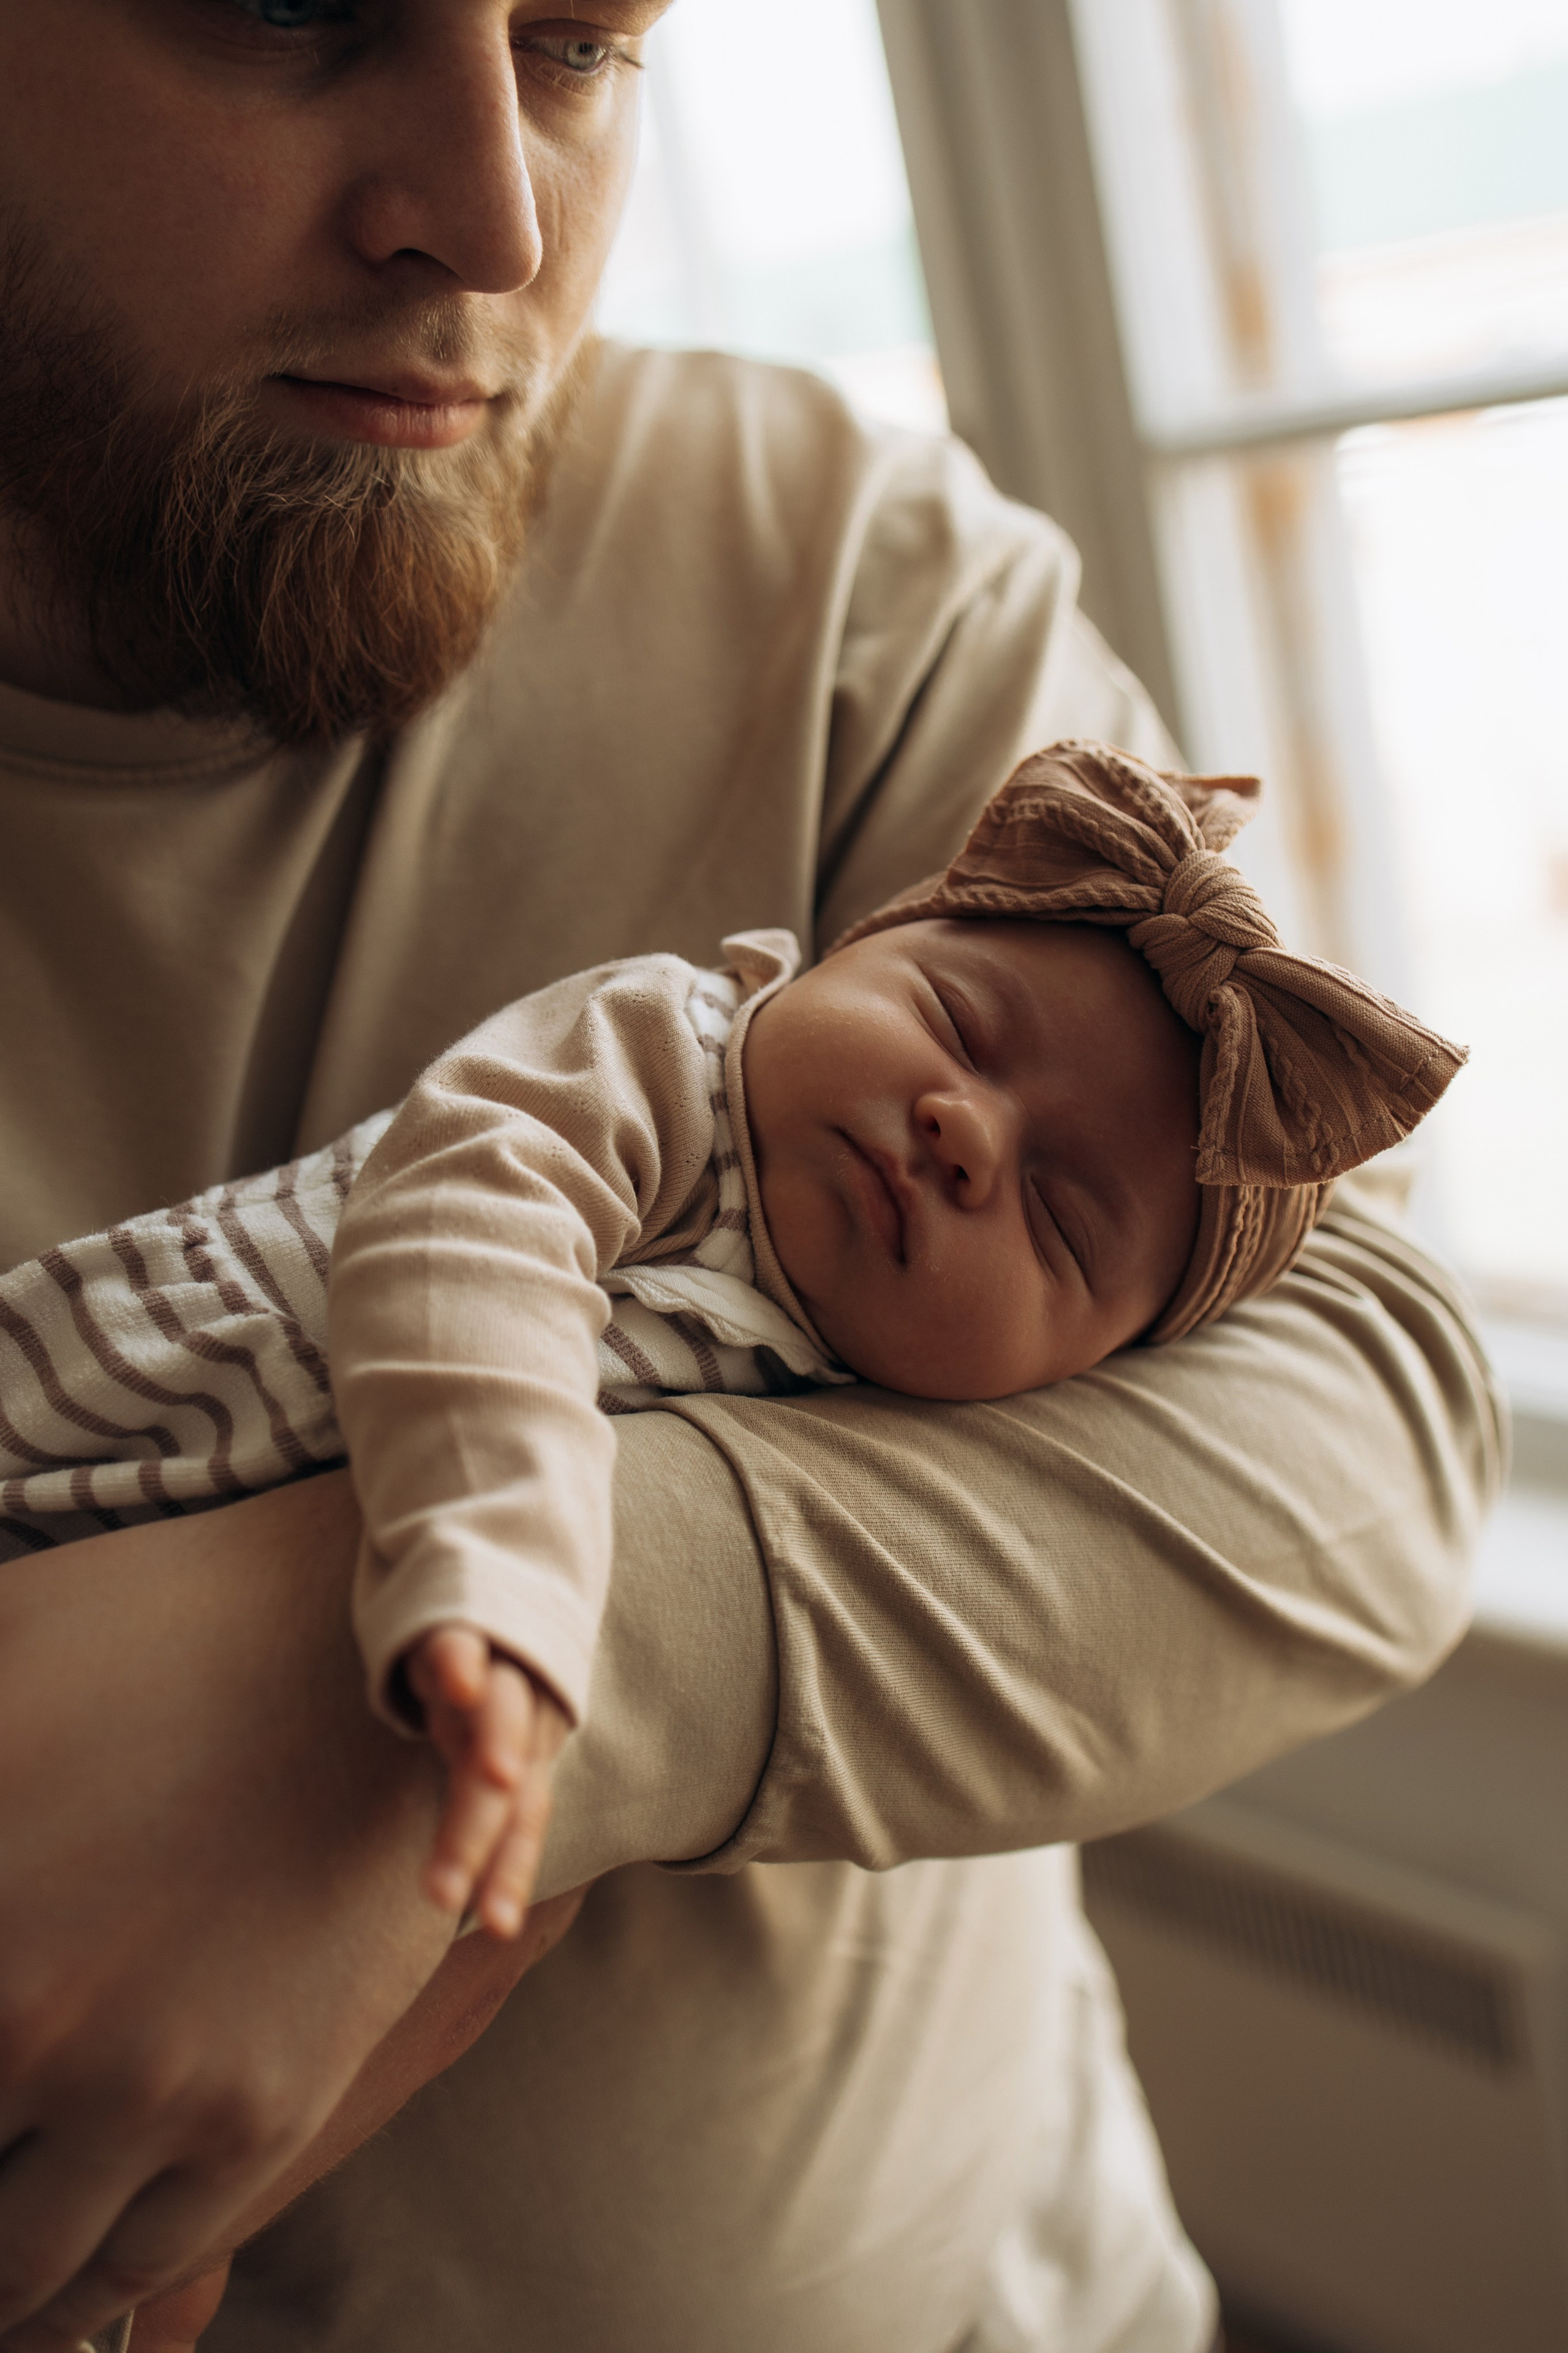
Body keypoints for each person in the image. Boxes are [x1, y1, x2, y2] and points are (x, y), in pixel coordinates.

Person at [0, 5, 1501, 2351]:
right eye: (296, 16)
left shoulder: (836, 563)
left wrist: (430, 1678)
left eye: (583, 44)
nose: (492, 216)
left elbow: (1382, 1418)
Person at [1, 742, 1466, 1966]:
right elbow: (466, 1240)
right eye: (951, 1021)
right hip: (73, 1417)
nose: (967, 1132)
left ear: (1079, 1376)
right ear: (852, 946)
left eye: (1060, 1217)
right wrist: (503, 1566)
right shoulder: (660, 1062)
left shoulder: (844, 1417)